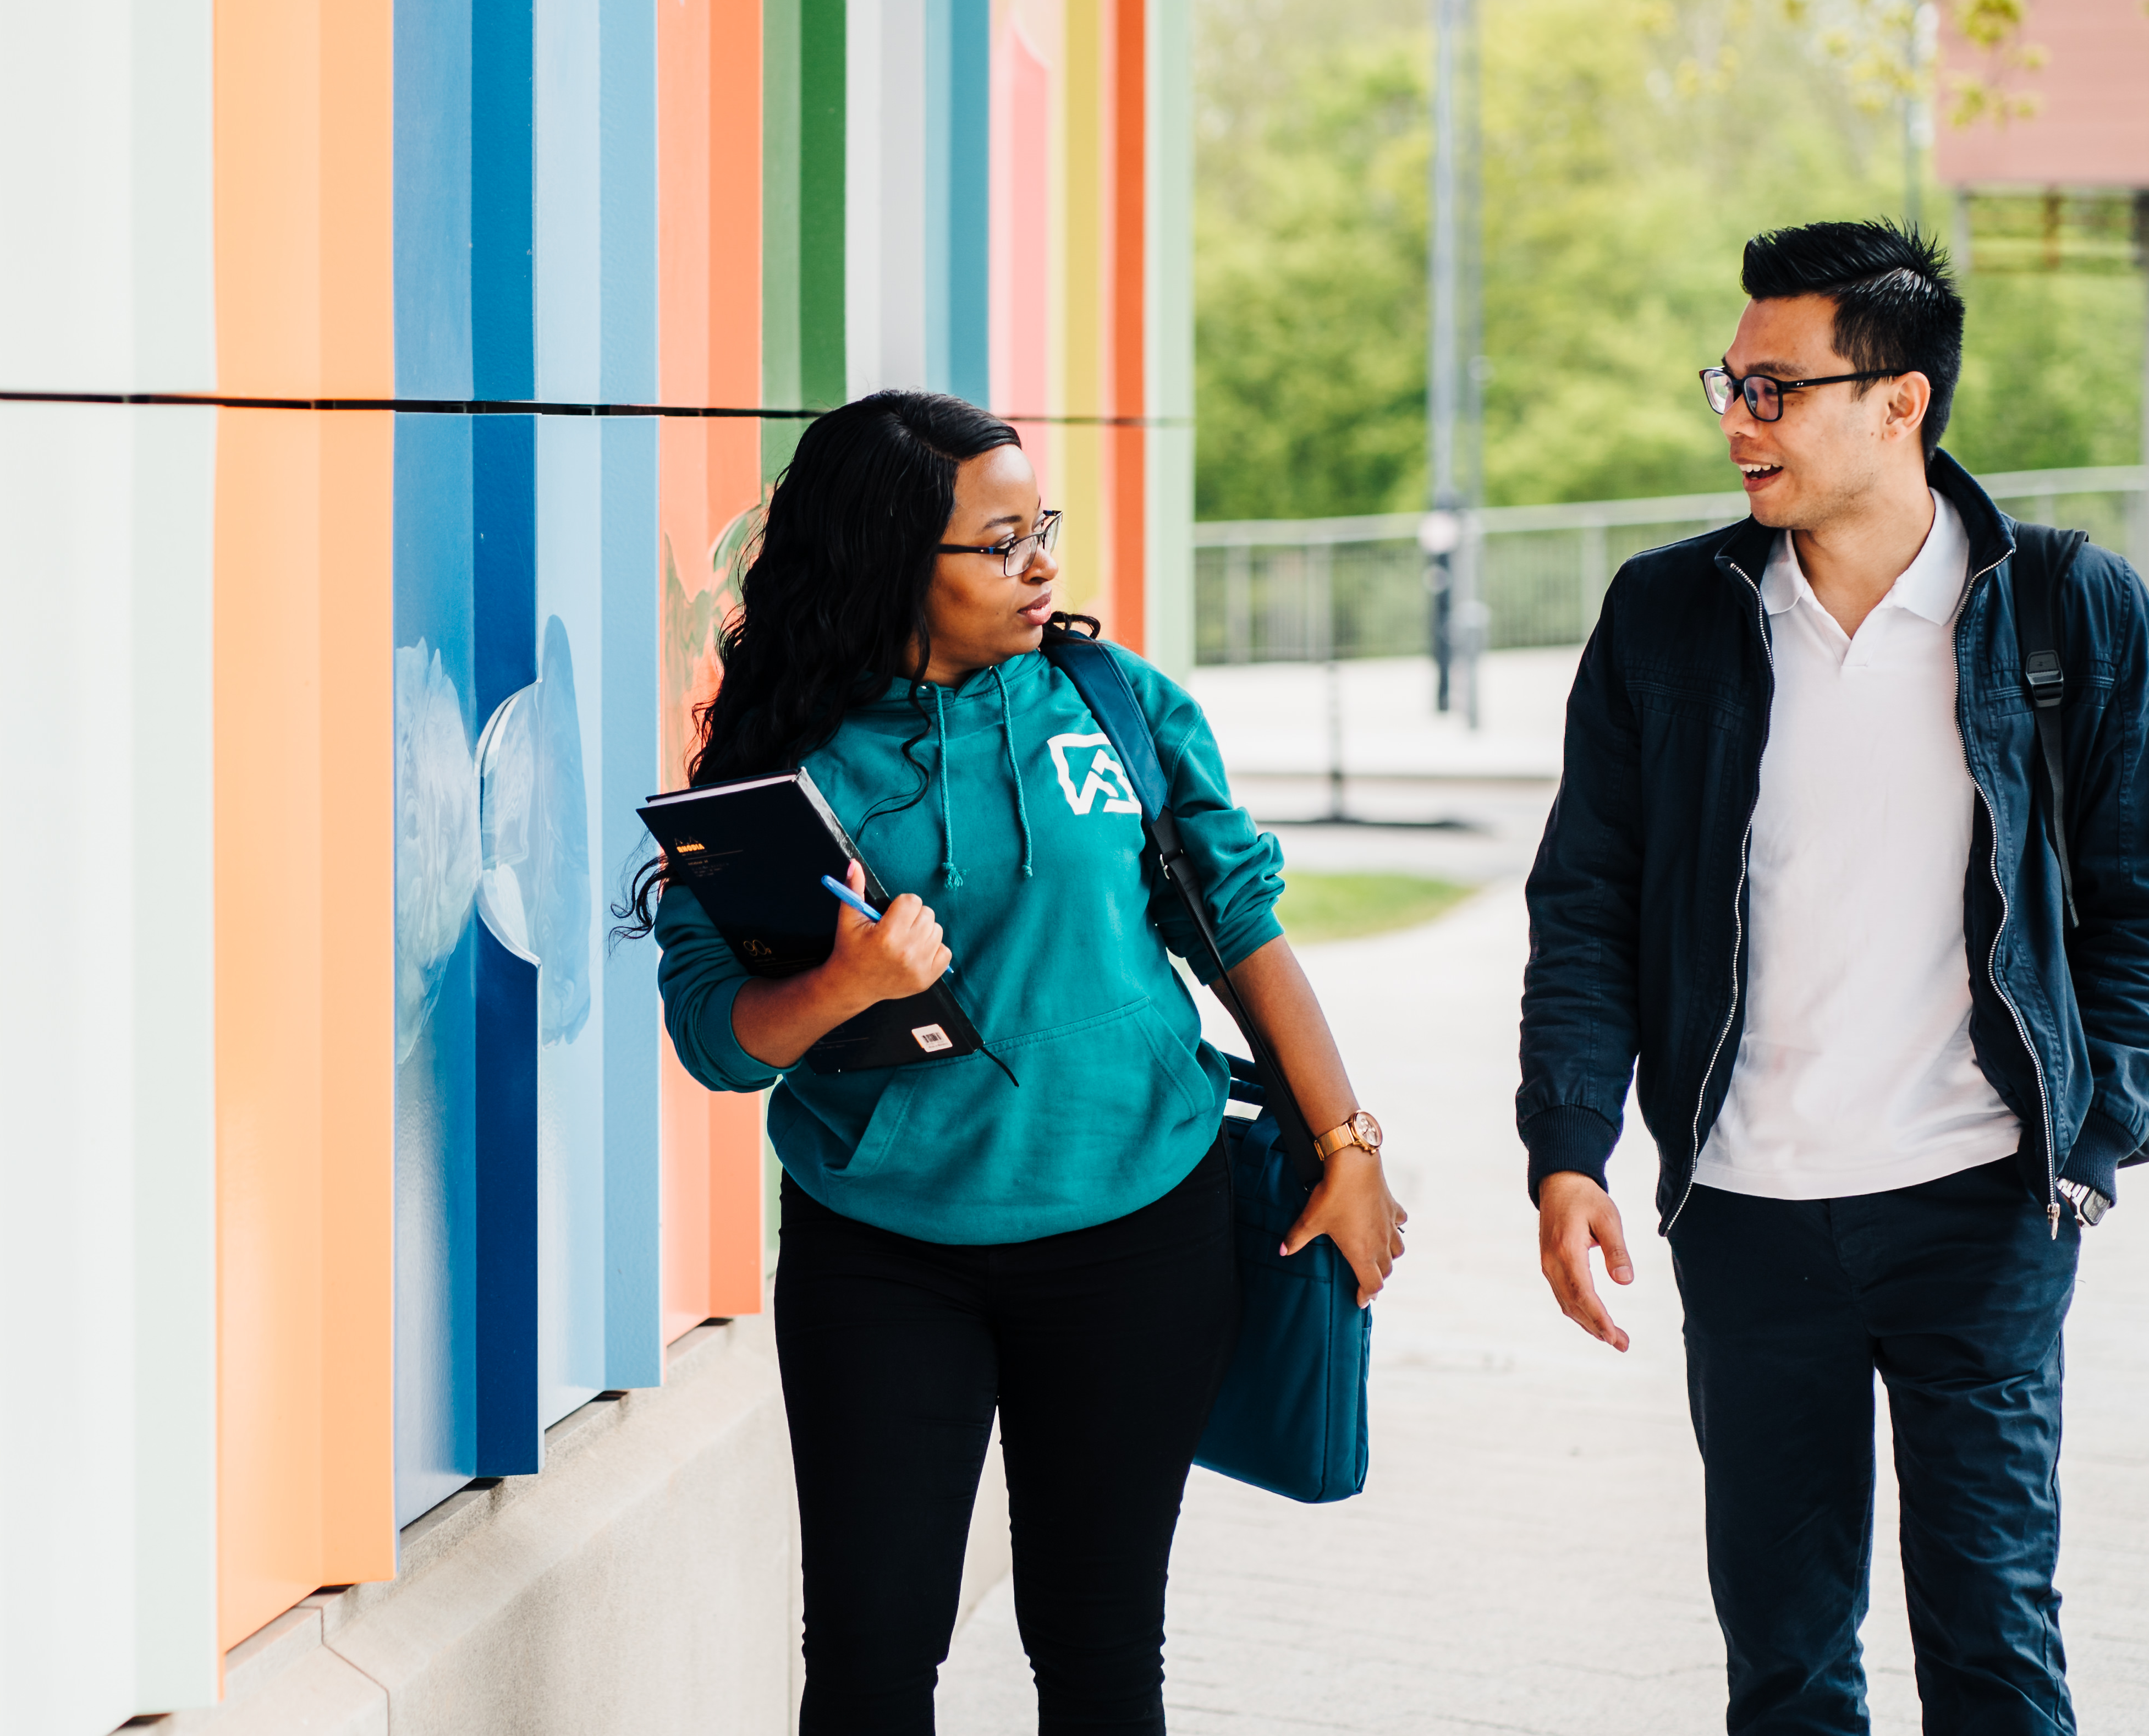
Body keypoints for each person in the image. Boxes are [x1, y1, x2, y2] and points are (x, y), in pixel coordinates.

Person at [644, 391, 1404, 1735]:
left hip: (1136, 1232)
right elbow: (713, 1037)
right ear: (887, 560)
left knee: (1098, 1649)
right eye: (996, 544)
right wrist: (839, 985)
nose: (1040, 564)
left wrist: (1343, 1147)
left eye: (1037, 527)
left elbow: (1238, 926)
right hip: (883, 1253)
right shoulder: (789, 771)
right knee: (872, 1660)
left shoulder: (1115, 707)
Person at [1520, 221, 2149, 1734]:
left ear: (1896, 402)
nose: (1733, 419)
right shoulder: (1669, 617)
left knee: (1993, 1643)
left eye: (1771, 388)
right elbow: (1586, 900)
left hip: (1976, 1206)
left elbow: (2133, 898)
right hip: (1746, 1218)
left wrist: (2097, 1115)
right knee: (1786, 1664)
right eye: (1726, 383)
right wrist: (1565, 1145)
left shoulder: (2063, 608)